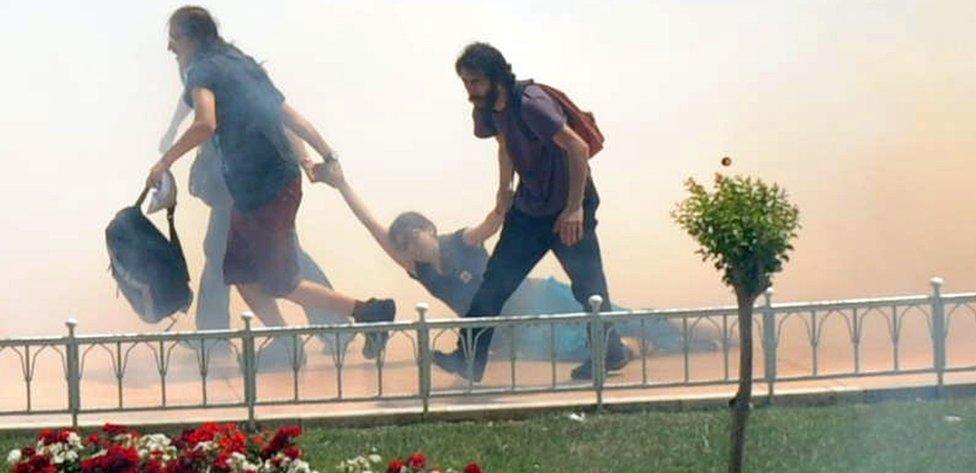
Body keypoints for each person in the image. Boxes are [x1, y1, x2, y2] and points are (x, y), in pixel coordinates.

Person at [146, 6, 394, 360]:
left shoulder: (203, 69)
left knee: (281, 281)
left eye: (173, 40)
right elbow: (285, 113)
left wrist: (164, 161)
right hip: (260, 185)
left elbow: (205, 123)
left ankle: (370, 312)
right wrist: (326, 153)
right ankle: (287, 341)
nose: (171, 49)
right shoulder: (239, 62)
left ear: (189, 38)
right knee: (239, 271)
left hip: (266, 188)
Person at [431, 42, 631, 382]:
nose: (470, 90)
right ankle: (468, 359)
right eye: (465, 82)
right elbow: (505, 144)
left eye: (475, 81)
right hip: (530, 209)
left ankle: (609, 354)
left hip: (568, 207)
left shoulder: (531, 103)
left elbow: (577, 148)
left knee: (589, 287)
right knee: (494, 282)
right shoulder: (492, 109)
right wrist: (504, 188)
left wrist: (573, 209)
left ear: (495, 77)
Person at [323, 178, 692, 361]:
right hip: (515, 333)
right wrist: (340, 184)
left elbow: (488, 226)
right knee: (579, 347)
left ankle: (695, 334)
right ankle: (633, 351)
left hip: (543, 296)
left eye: (413, 234)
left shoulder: (461, 241)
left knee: (615, 317)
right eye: (402, 242)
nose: (410, 244)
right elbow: (373, 227)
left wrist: (502, 207)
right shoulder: (421, 271)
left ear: (429, 229)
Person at [159, 86, 351, 358]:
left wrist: (306, 160)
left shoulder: (239, 82)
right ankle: (333, 327)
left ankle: (218, 336)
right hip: (236, 184)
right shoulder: (212, 79)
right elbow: (188, 99)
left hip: (259, 185)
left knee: (259, 253)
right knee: (220, 251)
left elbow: (286, 123)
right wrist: (172, 128)